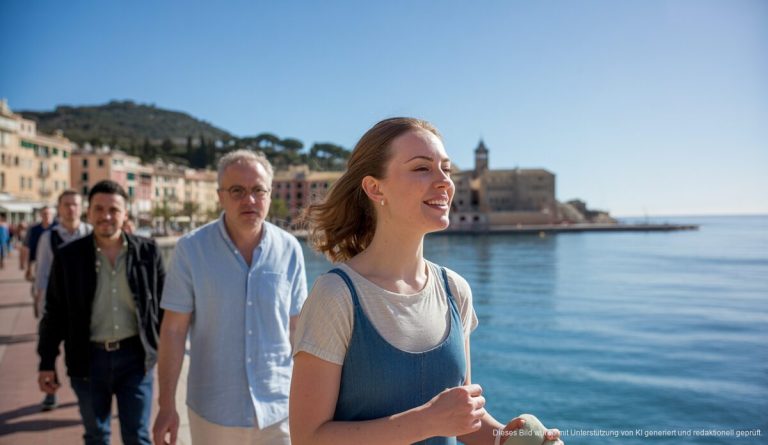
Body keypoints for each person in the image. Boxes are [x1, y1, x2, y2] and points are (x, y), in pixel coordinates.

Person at [290, 118, 563, 445]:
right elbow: (308, 438)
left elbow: (461, 423)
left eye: (446, 169)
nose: (445, 182)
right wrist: (425, 422)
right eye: (422, 168)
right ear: (376, 188)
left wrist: (508, 438)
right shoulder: (336, 295)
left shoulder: (454, 290)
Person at [153, 150, 307, 445]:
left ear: (269, 194)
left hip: (279, 409)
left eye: (257, 190)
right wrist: (166, 405)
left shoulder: (289, 249)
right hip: (213, 411)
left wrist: (313, 400)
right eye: (237, 191)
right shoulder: (191, 249)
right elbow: (173, 331)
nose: (249, 200)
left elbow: (298, 329)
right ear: (220, 196)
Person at [37, 180, 165, 445]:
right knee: (96, 436)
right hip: (87, 359)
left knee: (138, 437)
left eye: (114, 210)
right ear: (89, 212)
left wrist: (163, 354)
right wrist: (47, 361)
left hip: (136, 359)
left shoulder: (148, 252)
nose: (106, 216)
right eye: (99, 209)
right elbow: (55, 313)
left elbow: (165, 309)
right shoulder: (68, 256)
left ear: (125, 214)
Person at [33, 189, 92, 411]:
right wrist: (41, 302)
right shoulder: (49, 237)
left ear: (82, 208)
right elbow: (43, 272)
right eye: (66, 204)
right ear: (59, 208)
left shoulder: (90, 233)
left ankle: (86, 389)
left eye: (75, 204)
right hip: (57, 304)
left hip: (83, 305)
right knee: (48, 347)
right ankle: (51, 391)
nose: (71, 208)